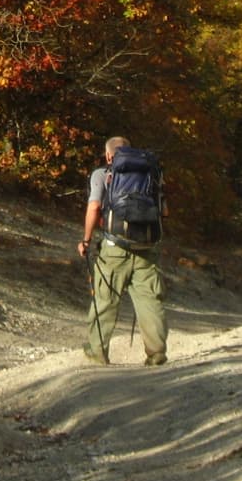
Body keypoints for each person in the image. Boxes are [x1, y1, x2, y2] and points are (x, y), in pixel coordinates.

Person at [77, 136, 167, 366]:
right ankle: (156, 353)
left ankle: (97, 352)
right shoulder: (153, 172)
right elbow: (164, 211)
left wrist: (86, 240)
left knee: (105, 298)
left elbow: (94, 207)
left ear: (108, 155)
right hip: (146, 246)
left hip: (114, 246)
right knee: (149, 300)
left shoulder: (102, 174)